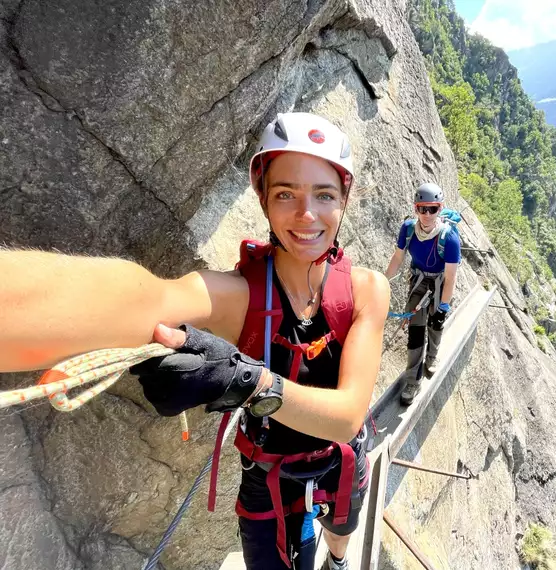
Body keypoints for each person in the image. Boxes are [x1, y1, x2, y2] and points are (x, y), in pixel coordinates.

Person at [0, 112, 390, 570]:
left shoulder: (366, 290)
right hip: (268, 472)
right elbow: (150, 297)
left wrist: (248, 382)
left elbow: (346, 418)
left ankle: (338, 561)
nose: (307, 214)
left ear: (344, 201)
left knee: (341, 526)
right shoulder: (240, 295)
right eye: (286, 193)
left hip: (338, 456)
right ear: (263, 199)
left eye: (324, 195)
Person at [384, 183, 460, 406]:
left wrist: (443, 307)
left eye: (432, 209)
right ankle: (413, 381)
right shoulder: (408, 229)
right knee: (416, 331)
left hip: (440, 282)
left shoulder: (450, 238)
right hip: (418, 281)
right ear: (415, 208)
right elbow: (398, 258)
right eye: (422, 208)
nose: (427, 214)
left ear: (440, 208)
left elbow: (451, 277)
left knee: (435, 324)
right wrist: (383, 281)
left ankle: (433, 356)